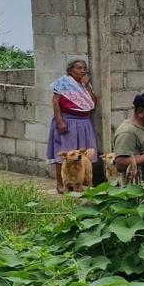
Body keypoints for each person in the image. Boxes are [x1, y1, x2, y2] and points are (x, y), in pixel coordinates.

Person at [47, 58, 99, 194]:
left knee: (84, 154)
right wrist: (60, 121)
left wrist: (87, 86)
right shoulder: (63, 82)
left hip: (84, 122)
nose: (82, 71)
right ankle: (60, 184)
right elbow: (55, 101)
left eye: (84, 68)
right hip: (67, 121)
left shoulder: (84, 85)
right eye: (79, 68)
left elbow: (93, 103)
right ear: (71, 70)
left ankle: (82, 183)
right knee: (65, 154)